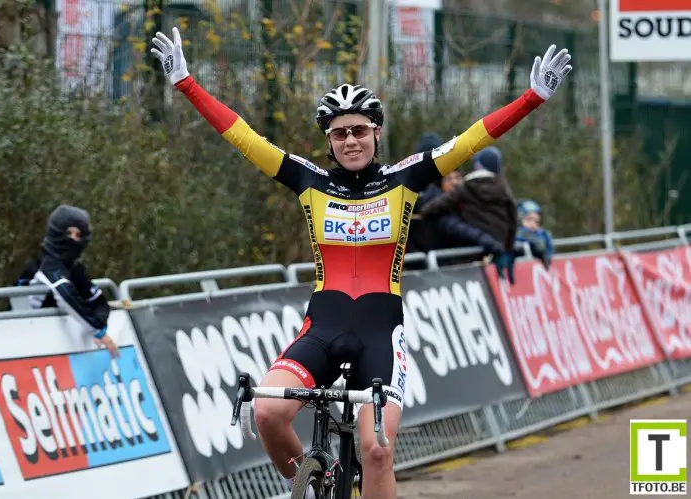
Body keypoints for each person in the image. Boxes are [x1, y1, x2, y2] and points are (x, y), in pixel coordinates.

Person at [151, 27, 572, 498]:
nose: (350, 140)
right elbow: (243, 137)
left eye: (359, 130)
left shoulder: (406, 178)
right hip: (322, 327)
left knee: (376, 450)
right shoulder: (308, 180)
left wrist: (532, 98)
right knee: (268, 412)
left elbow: (472, 140)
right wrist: (187, 84)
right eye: (339, 133)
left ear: (376, 132)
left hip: (380, 332)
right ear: (328, 141)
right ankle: (307, 486)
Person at [29, 204, 119, 358]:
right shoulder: (49, 266)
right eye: (70, 233)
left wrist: (100, 323)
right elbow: (66, 296)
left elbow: (97, 300)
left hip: (62, 346)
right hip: (34, 340)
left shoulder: (75, 268)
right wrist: (97, 330)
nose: (75, 240)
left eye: (79, 235)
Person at [418, 145, 518, 282]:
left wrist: (425, 211)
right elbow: (513, 216)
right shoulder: (503, 188)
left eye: (457, 177)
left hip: (480, 246)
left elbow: (441, 203)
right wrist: (508, 244)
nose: (454, 182)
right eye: (449, 178)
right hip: (490, 243)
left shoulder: (466, 186)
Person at [516, 199, 555, 268]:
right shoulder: (517, 235)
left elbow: (549, 252)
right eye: (529, 219)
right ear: (520, 220)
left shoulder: (543, 234)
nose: (533, 224)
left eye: (536, 221)